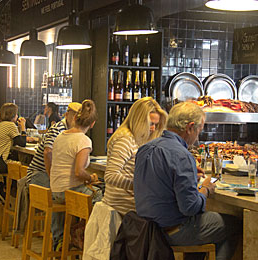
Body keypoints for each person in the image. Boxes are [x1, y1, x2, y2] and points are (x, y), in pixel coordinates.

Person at [134, 102, 241, 260]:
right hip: (172, 231)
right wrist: (205, 189)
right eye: (199, 130)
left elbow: (161, 180)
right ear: (190, 127)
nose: (197, 137)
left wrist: (189, 176)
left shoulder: (145, 149)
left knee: (203, 224)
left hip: (146, 228)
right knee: (235, 224)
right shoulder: (182, 155)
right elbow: (190, 208)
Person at [49, 99, 103, 249]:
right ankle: (85, 238)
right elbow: (79, 172)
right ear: (92, 124)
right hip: (68, 191)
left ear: (74, 118)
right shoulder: (84, 140)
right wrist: (91, 177)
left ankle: (60, 240)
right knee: (100, 196)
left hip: (55, 189)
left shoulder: (61, 136)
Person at [103, 97, 167, 215]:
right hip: (123, 206)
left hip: (130, 202)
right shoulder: (125, 139)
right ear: (139, 120)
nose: (153, 129)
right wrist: (140, 186)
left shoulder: (137, 138)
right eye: (151, 124)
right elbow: (110, 176)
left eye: (156, 125)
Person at [26, 102, 82, 188]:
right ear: (66, 115)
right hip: (38, 174)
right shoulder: (58, 129)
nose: (76, 120)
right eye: (74, 116)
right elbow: (48, 152)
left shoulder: (72, 131)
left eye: (78, 118)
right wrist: (53, 177)